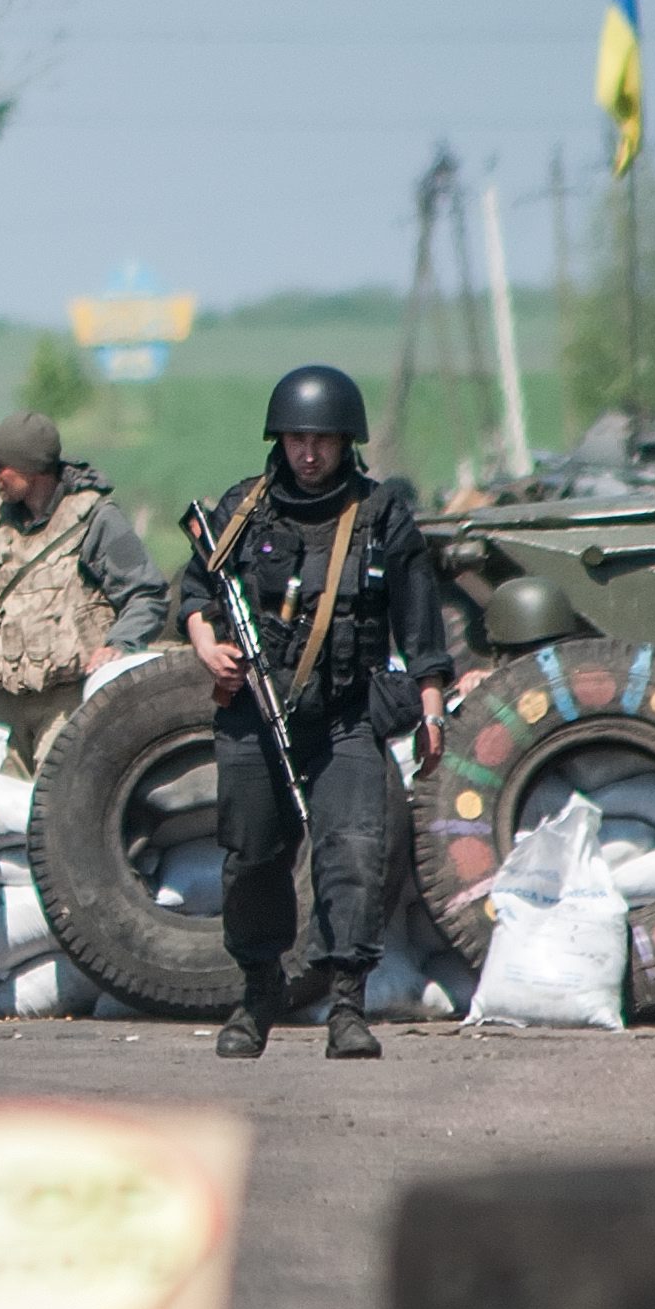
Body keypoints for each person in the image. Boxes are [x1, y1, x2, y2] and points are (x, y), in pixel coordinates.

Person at [181, 364, 452, 1062]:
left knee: (354, 850)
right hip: (253, 712)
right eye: (297, 438)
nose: (308, 453)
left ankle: (345, 1004)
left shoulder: (379, 513)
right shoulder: (245, 510)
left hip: (344, 711)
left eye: (323, 440)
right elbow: (192, 592)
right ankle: (258, 991)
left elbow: (418, 620)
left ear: (346, 442)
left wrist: (430, 710)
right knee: (250, 857)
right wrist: (206, 646)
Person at [0, 410, 168, 776]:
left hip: (68, 703)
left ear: (32, 469)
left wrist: (119, 645)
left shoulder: (95, 520)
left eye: (1, 467)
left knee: (58, 805)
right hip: (2, 706)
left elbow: (146, 594)